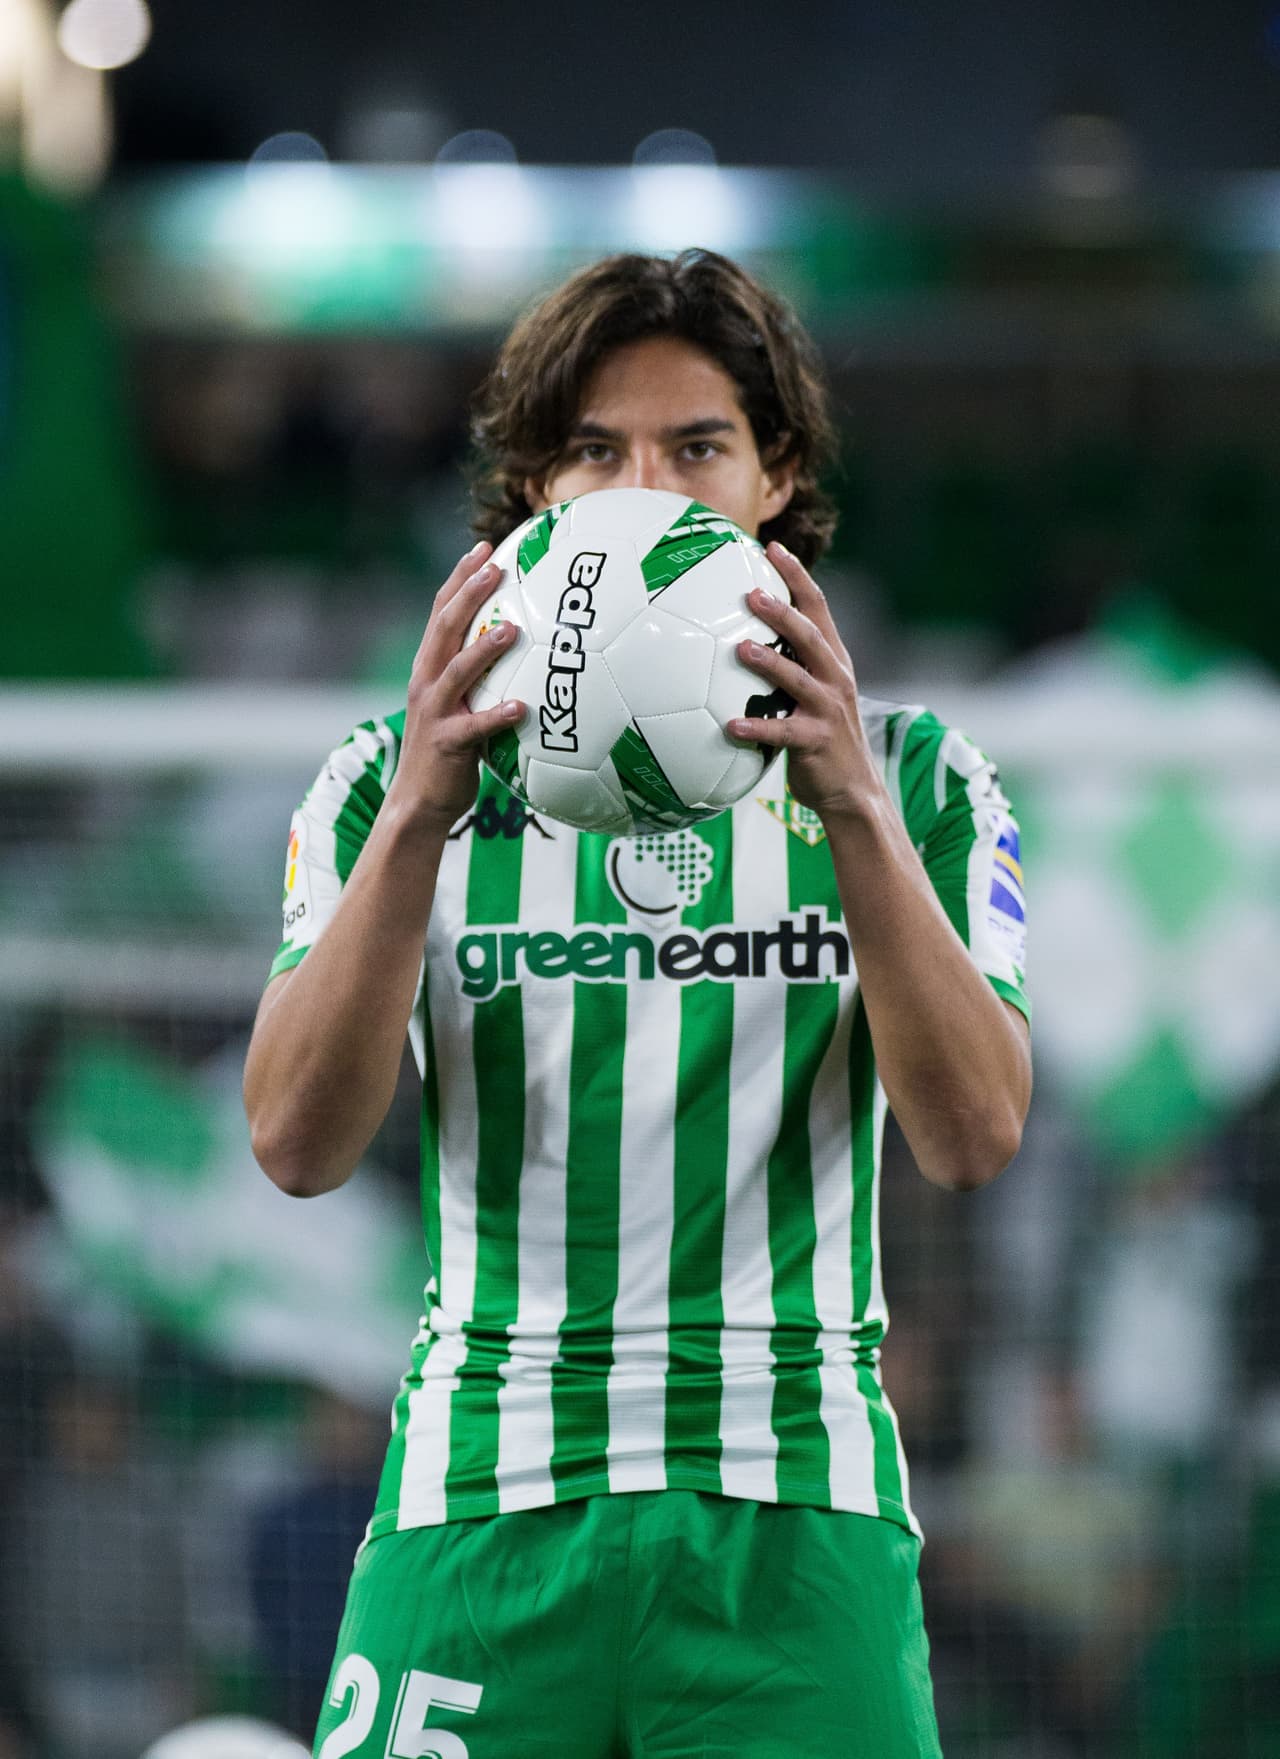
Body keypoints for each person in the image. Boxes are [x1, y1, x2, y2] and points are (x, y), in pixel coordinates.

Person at [243, 249, 1032, 1759]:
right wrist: (420, 814)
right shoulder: (381, 781)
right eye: (596, 449)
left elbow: (974, 1136)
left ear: (776, 480)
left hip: (792, 1518)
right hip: (481, 1504)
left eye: (697, 447)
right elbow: (293, 1141)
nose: (646, 487)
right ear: (537, 487)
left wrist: (850, 807)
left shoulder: (917, 778)